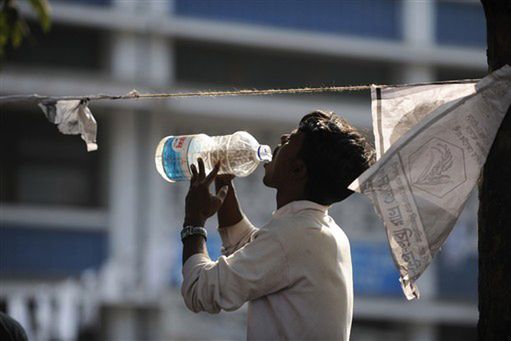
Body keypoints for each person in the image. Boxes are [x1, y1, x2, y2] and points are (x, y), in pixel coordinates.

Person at [180, 110, 375, 340]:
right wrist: (223, 182)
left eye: (291, 140)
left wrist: (194, 220)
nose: (282, 139)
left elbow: (200, 289)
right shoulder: (319, 230)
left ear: (297, 170)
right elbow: (252, 250)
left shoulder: (294, 236)